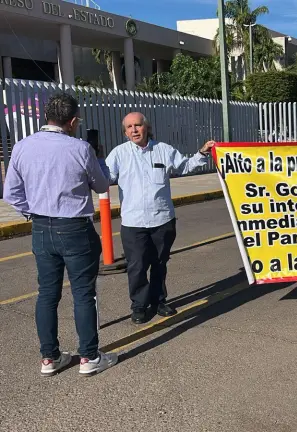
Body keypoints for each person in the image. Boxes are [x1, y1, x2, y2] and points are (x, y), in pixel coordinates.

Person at [2, 92, 119, 376]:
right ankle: (89, 357)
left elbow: (11, 194)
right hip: (75, 227)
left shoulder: (21, 147)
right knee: (82, 293)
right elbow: (102, 184)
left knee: (47, 294)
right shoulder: (80, 148)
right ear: (73, 120)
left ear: (45, 117)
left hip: (41, 227)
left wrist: (32, 212)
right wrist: (99, 157)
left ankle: (49, 357)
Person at [104, 112, 215, 324]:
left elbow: (184, 166)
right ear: (125, 132)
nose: (134, 130)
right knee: (136, 266)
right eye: (129, 127)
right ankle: (138, 305)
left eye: (138, 125)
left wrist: (202, 152)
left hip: (162, 220)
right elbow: (105, 177)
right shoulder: (119, 154)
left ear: (146, 127)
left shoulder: (163, 150)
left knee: (159, 263)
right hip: (133, 223)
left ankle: (158, 301)